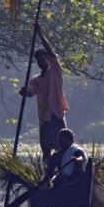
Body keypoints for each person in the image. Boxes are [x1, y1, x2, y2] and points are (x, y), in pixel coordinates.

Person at [19, 22, 69, 164]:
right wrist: (24, 92)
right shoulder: (36, 79)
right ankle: (47, 176)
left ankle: (63, 173)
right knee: (46, 148)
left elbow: (51, 51)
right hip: (45, 118)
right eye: (39, 61)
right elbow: (30, 92)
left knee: (63, 147)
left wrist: (40, 33)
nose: (42, 62)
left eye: (44, 59)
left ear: (48, 60)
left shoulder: (55, 71)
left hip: (57, 114)